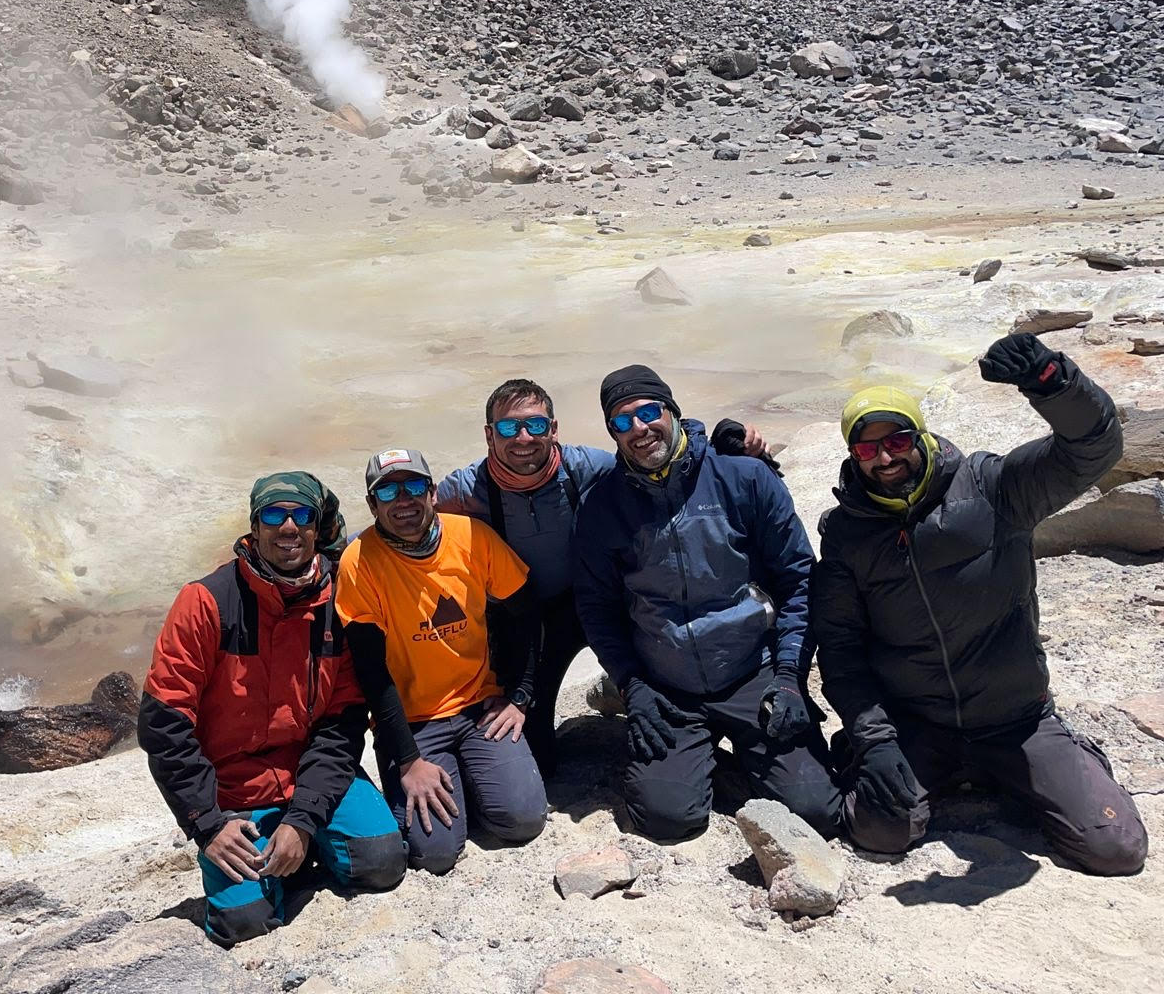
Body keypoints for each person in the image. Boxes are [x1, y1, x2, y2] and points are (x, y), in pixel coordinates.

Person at [812, 333, 1148, 876]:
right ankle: (939, 772)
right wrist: (873, 742)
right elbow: (843, 650)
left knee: (1116, 849)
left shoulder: (994, 489)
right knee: (879, 831)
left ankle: (1059, 762)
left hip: (1016, 721)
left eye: (895, 440)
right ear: (854, 454)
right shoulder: (847, 536)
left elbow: (1092, 448)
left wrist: (1052, 383)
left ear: (918, 435)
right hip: (919, 725)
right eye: (866, 448)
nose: (884, 458)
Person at [436, 378, 774, 777]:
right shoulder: (465, 489)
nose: (524, 438)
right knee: (535, 760)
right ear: (489, 435)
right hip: (527, 622)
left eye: (536, 425)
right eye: (509, 428)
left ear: (555, 429)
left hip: (602, 601)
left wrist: (732, 446)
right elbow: (405, 518)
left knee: (661, 671)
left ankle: (634, 693)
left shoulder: (589, 468)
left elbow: (660, 458)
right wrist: (341, 550)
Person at [574, 365, 840, 843]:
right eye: (621, 421)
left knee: (816, 811)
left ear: (673, 412)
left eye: (649, 412)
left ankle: (738, 757)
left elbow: (799, 579)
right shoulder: (601, 508)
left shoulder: (744, 478)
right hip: (667, 683)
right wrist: (633, 685)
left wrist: (790, 678)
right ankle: (696, 760)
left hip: (752, 671)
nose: (639, 429)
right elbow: (598, 609)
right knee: (668, 818)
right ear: (612, 433)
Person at [137, 472, 406, 947]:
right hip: (231, 792)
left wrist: (302, 819)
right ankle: (269, 862)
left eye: (301, 515)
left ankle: (292, 849)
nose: (288, 527)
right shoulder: (205, 602)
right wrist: (208, 825)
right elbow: (164, 725)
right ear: (254, 526)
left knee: (382, 862)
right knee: (244, 924)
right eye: (273, 515)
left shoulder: (336, 602)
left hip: (309, 773)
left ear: (317, 527)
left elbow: (340, 724)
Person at [336, 447, 548, 874]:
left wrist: (520, 696)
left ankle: (474, 779)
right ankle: (452, 781)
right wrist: (410, 760)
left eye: (414, 486)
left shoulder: (470, 536)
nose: (404, 501)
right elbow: (372, 674)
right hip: (413, 724)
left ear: (432, 493)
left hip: (478, 707)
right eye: (388, 492)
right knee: (434, 856)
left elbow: (528, 613)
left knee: (524, 821)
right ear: (372, 504)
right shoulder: (359, 562)